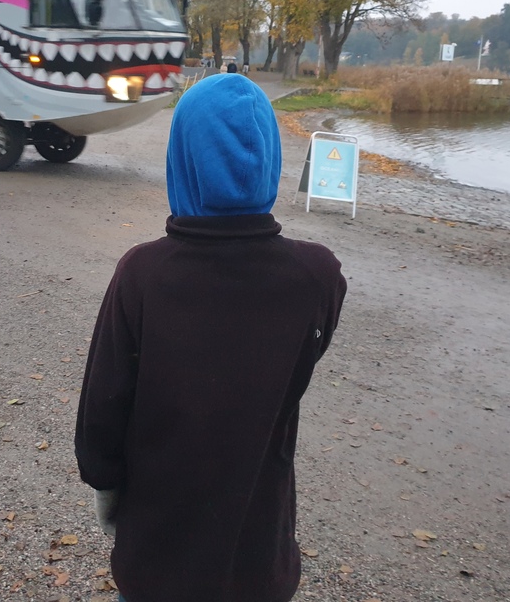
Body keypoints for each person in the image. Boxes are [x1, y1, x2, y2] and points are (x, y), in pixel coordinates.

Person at [75, 73, 347, 602]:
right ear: (269, 157)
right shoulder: (316, 276)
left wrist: (105, 485)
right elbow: (303, 355)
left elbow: (104, 404)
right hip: (259, 550)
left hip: (158, 552)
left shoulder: (144, 274)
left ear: (183, 158)